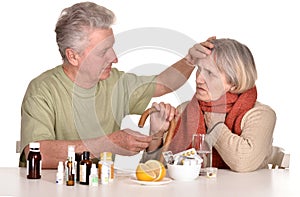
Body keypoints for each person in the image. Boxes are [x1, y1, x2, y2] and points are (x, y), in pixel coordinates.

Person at [19, 2, 197, 169]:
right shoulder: (42, 90)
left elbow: (164, 84)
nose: (114, 58)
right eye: (103, 51)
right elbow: (36, 152)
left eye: (111, 47)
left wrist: (191, 59)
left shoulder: (115, 82)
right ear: (73, 56)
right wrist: (108, 143)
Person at [142, 38, 276, 172]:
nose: (199, 79)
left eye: (210, 73)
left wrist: (214, 124)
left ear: (234, 84)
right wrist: (156, 135)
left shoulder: (261, 114)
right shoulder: (184, 110)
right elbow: (151, 172)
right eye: (199, 69)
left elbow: (243, 162)